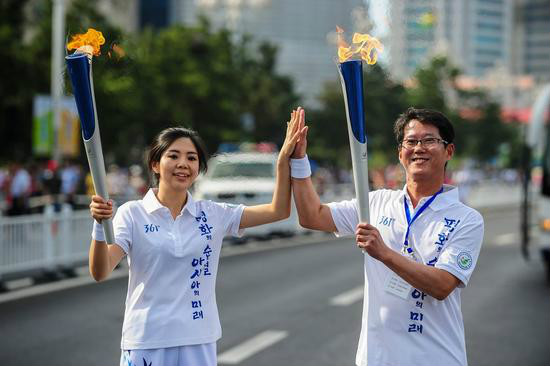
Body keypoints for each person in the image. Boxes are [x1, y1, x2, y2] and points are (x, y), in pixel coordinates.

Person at [88, 108, 306, 366]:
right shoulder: (133, 214)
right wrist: (100, 226)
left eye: (191, 158)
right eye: (174, 156)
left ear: (198, 168)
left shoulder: (212, 214)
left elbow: (278, 210)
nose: (183, 164)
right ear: (155, 164)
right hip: (147, 341)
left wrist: (283, 161)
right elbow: (100, 271)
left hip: (198, 340)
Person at [290, 107, 484, 366]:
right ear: (400, 153)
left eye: (429, 140)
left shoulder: (467, 219)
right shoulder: (377, 202)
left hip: (435, 358)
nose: (419, 148)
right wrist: (299, 160)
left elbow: (442, 286)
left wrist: (384, 253)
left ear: (449, 151)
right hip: (377, 358)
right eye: (411, 141)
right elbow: (312, 216)